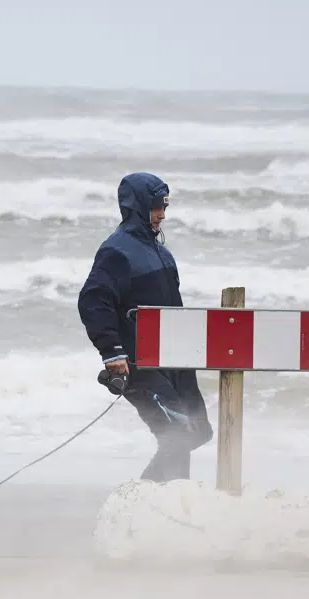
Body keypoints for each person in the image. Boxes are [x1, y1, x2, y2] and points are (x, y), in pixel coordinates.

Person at [77, 172, 213, 482]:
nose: (162, 215)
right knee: (177, 434)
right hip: (139, 365)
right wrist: (112, 352)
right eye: (155, 208)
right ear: (137, 206)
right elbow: (93, 302)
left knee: (198, 431)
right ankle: (138, 503)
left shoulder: (162, 253)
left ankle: (176, 497)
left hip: (174, 361)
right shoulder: (117, 251)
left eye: (164, 207)